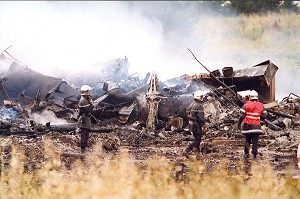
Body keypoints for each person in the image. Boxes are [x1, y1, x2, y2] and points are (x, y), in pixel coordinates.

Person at [238, 90, 267, 159]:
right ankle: (254, 154)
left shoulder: (246, 105)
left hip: (247, 126)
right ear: (257, 98)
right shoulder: (261, 105)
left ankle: (246, 153)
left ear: (250, 97)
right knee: (255, 141)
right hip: (256, 126)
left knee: (247, 140)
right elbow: (265, 115)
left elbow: (242, 116)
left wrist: (239, 124)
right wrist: (260, 118)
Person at [183, 90, 207, 156]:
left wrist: (190, 118)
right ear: (199, 97)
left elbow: (187, 113)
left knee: (197, 138)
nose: (202, 98)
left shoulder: (192, 104)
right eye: (201, 97)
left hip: (191, 124)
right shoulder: (199, 106)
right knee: (197, 140)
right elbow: (201, 118)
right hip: (196, 125)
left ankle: (197, 154)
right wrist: (204, 125)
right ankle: (187, 150)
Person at [77, 85, 94, 153]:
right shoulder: (83, 100)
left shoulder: (84, 99)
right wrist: (92, 105)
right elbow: (87, 110)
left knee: (85, 133)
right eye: (88, 92)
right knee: (84, 133)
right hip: (84, 119)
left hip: (85, 118)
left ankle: (84, 147)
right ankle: (83, 148)